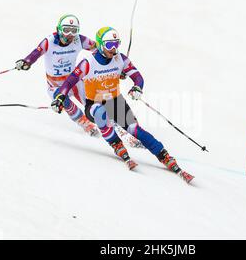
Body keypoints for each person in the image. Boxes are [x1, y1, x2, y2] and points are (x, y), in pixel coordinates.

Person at [50, 26, 194, 183]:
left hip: (115, 102)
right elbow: (69, 82)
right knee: (100, 113)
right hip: (93, 103)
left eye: (116, 44)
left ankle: (163, 154)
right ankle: (116, 143)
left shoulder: (120, 59)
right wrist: (59, 97)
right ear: (99, 44)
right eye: (110, 45)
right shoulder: (88, 63)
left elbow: (138, 77)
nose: (114, 49)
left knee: (135, 130)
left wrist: (138, 87)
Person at [15, 14, 99, 136]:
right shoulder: (49, 41)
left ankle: (112, 127)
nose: (70, 34)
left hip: (74, 81)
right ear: (59, 29)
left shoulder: (79, 40)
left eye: (74, 30)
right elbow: (36, 53)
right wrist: (26, 62)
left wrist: (113, 60)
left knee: (92, 105)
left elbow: (99, 48)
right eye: (66, 30)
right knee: (64, 101)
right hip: (55, 85)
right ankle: (85, 124)